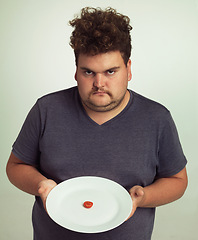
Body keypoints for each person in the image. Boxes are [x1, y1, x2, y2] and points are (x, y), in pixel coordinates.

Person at [6, 7, 188, 240]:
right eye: (88, 72)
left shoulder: (157, 118)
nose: (99, 83)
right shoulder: (46, 110)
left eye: (111, 71)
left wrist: (144, 196)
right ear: (76, 72)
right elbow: (15, 166)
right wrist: (41, 185)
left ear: (129, 69)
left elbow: (178, 181)